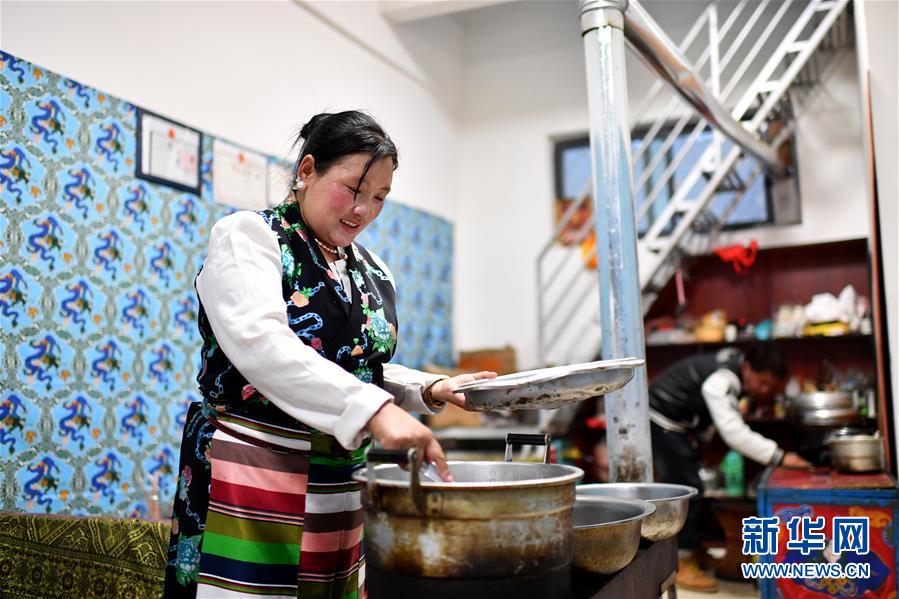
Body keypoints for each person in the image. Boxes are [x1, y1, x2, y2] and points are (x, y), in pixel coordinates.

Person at [163, 111, 495, 598]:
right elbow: (264, 346)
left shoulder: (370, 269)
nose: (364, 210)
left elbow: (354, 365)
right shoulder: (250, 237)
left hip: (340, 481)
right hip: (254, 469)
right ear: (307, 170)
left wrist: (429, 387)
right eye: (354, 189)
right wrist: (375, 411)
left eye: (379, 197)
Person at [649, 342, 811, 593]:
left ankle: (693, 551)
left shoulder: (733, 370)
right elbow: (733, 432)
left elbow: (709, 416)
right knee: (686, 491)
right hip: (661, 419)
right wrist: (780, 457)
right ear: (746, 368)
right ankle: (679, 563)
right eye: (762, 382)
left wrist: (700, 445)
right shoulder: (723, 379)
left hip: (679, 424)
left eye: (770, 386)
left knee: (694, 489)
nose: (764, 390)